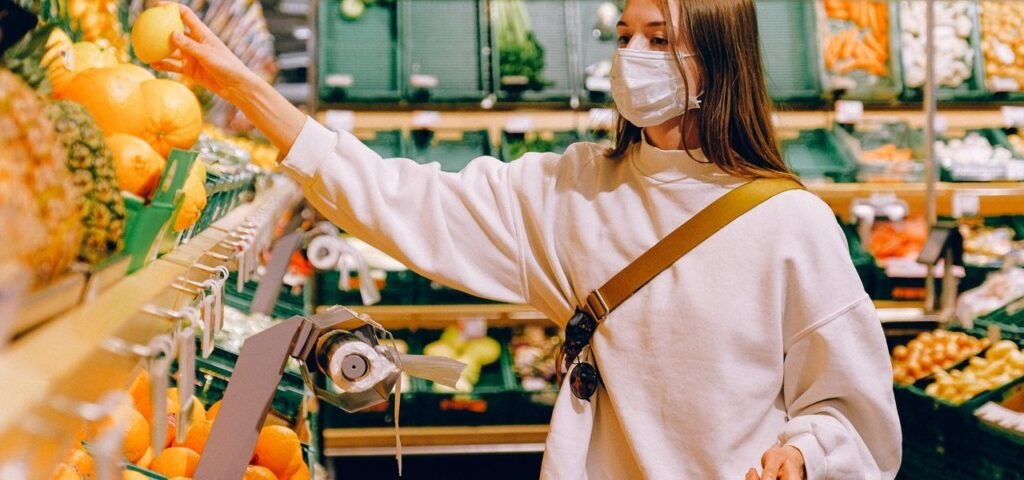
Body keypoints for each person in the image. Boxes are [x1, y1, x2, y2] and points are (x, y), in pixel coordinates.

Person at [156, 0, 902, 477]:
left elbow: (854, 413)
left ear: (717, 58)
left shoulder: (787, 225)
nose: (632, 56)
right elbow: (399, 197)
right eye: (625, 34)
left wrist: (803, 457)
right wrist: (247, 92)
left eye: (659, 37)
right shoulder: (576, 190)